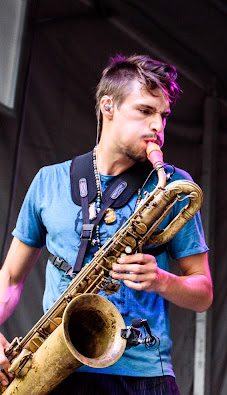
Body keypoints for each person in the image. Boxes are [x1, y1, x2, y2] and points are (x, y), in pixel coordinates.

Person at [0, 55, 213, 394]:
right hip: (55, 368)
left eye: (164, 115)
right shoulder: (48, 181)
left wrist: (161, 279)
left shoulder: (171, 186)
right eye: (145, 111)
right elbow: (10, 279)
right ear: (108, 106)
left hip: (144, 375)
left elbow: (203, 292)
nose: (158, 125)